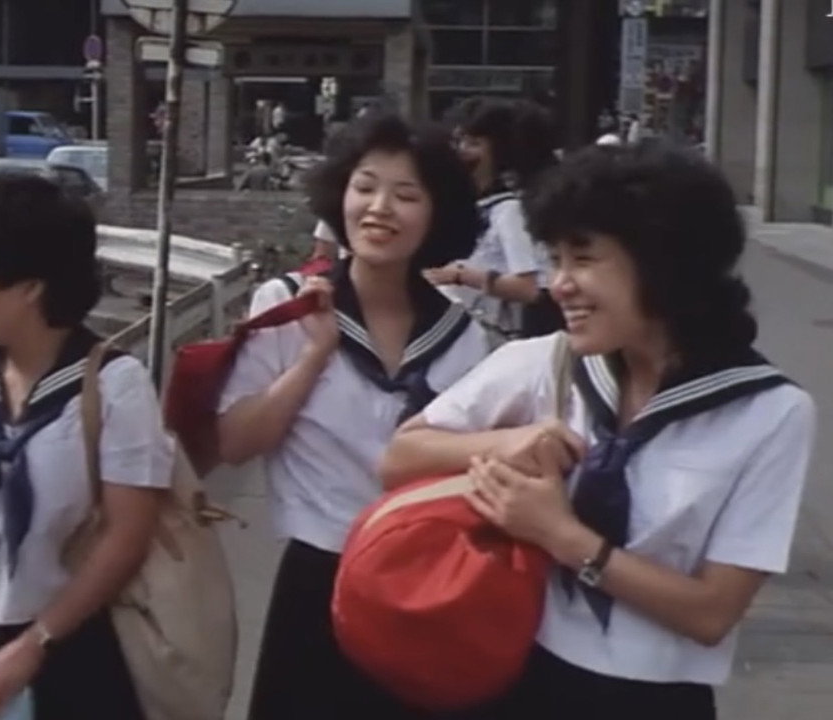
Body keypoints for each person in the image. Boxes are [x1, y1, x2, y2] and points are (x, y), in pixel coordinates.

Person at [381, 142, 817, 720]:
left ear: (664, 263)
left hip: (656, 699)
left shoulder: (769, 411)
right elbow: (400, 456)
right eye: (555, 259)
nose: (559, 284)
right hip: (520, 671)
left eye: (583, 260)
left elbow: (711, 613)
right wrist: (503, 442)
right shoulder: (547, 363)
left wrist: (564, 537)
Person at [216, 114, 490, 720]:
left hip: (423, 584)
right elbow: (235, 441)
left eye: (406, 195)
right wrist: (314, 354)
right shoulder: (287, 306)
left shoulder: (463, 336)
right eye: (365, 187)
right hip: (319, 582)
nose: (379, 208)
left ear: (436, 214)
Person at [0, 172, 171, 720]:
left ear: (29, 287)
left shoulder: (112, 385)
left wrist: (37, 642)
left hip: (76, 644)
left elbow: (129, 534)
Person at [425, 98, 562, 339]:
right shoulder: (478, 205)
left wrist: (461, 275)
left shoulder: (509, 210)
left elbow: (528, 288)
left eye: (474, 143)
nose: (462, 150)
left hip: (501, 335)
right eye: (460, 141)